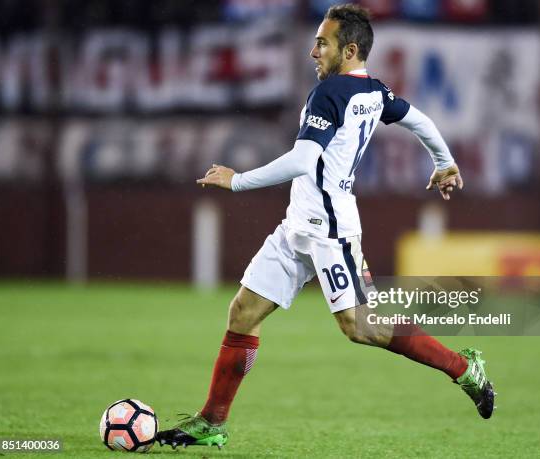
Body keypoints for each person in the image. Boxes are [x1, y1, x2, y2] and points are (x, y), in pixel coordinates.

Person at [156, 4, 495, 450]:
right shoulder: (374, 90)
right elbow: (417, 118)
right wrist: (444, 161)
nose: (313, 50)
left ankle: (463, 368)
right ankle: (213, 421)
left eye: (323, 42)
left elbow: (302, 159)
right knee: (243, 313)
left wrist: (237, 181)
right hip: (296, 224)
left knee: (361, 326)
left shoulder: (331, 93)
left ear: (349, 50)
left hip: (331, 228)